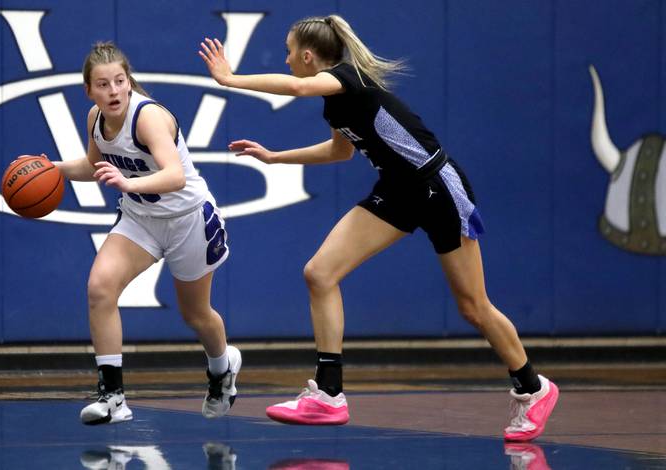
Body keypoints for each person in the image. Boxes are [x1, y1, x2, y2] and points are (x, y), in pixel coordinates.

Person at [199, 15, 557, 440]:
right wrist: (275, 158)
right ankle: (329, 393)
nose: (286, 57)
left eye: (289, 50)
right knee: (319, 273)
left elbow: (296, 87)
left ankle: (533, 388)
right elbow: (339, 152)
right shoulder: (336, 101)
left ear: (308, 56)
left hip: (435, 186)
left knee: (473, 306)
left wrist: (230, 78)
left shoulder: (345, 78)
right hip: (398, 189)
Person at [53, 41, 241, 425]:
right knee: (100, 287)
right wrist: (50, 169)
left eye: (119, 81)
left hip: (188, 217)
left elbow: (174, 175)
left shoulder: (148, 117)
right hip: (141, 219)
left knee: (196, 314)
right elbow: (94, 165)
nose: (113, 91)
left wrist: (126, 182)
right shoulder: (94, 118)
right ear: (89, 90)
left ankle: (222, 368)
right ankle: (113, 397)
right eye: (103, 85)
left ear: (129, 81)